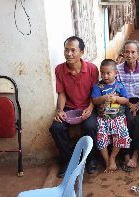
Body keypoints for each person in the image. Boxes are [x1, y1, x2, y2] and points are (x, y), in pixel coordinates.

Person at [49, 36, 99, 178]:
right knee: (56, 127)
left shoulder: (91, 69)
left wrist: (90, 108)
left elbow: (95, 93)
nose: (69, 54)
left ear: (81, 52)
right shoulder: (59, 69)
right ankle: (67, 161)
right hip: (69, 108)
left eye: (73, 50)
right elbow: (62, 93)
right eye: (66, 50)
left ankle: (91, 160)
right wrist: (60, 110)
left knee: (90, 126)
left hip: (88, 106)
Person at [116, 40, 139, 172]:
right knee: (126, 120)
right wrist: (129, 104)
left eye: (133, 52)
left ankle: (136, 153)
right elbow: (117, 90)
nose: (129, 55)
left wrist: (137, 105)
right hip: (124, 101)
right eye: (126, 51)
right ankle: (125, 153)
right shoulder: (118, 69)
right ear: (123, 53)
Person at [91, 59, 131, 173]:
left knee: (121, 134)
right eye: (102, 73)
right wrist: (103, 98)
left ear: (116, 73)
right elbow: (94, 101)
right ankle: (107, 160)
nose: (105, 76)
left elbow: (126, 100)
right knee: (101, 138)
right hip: (103, 118)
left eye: (108, 73)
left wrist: (117, 98)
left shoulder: (119, 85)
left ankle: (113, 157)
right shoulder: (98, 86)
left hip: (117, 117)